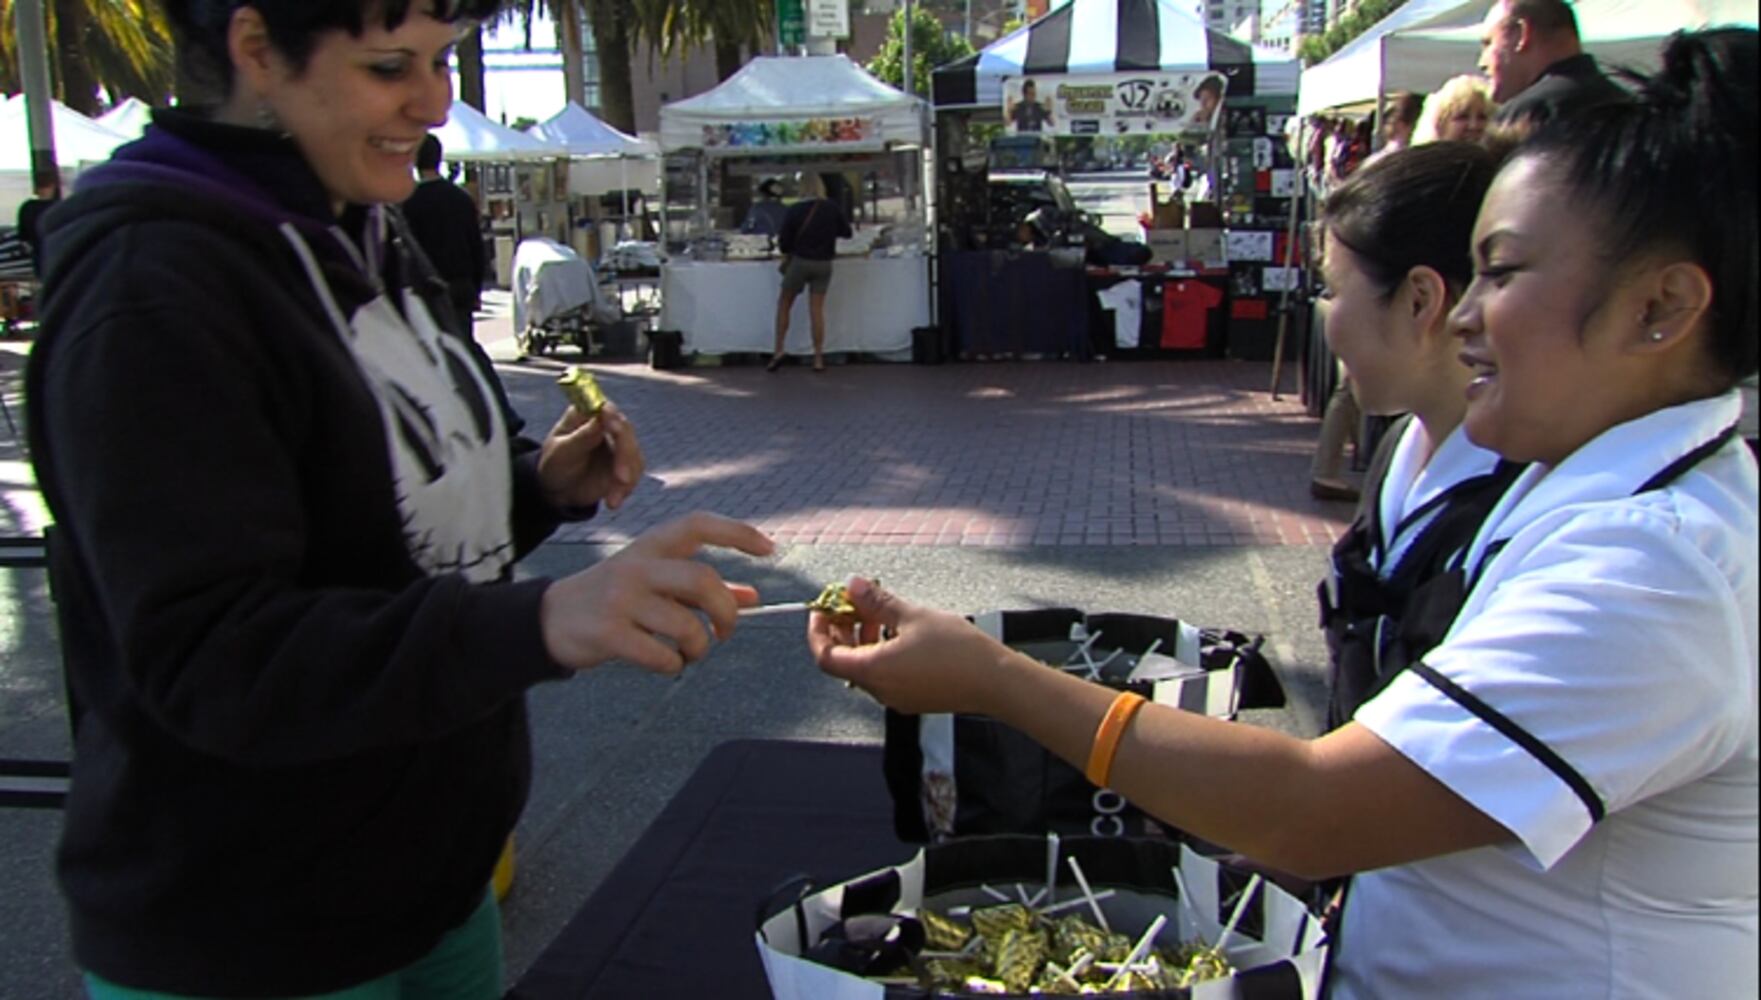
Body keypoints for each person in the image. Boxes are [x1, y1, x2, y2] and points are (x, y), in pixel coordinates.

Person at [809, 28, 1757, 997]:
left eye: (1505, 271)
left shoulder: (1654, 569)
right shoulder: (1592, 499)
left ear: (1661, 307)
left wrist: (994, 679)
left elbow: (1315, 809)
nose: (1469, 315)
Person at [23, 2, 773, 997]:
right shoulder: (149, 290)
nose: (435, 100)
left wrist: (533, 486)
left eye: (445, 58)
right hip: (250, 935)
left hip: (433, 893)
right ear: (257, 50)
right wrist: (543, 619)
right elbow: (217, 657)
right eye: (391, 66)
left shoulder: (361, 224)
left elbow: (388, 527)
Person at [1311, 141, 1523, 729]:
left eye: (1333, 289)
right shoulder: (1398, 446)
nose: (1327, 318)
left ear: (1420, 299)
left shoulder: (1527, 507)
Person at [1479, 0, 1628, 127]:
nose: (1481, 63)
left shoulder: (1528, 115)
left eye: (1488, 43)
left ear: (1522, 35)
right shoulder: (1630, 105)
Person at [402, 132, 487, 337]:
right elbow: (476, 246)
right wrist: (475, 287)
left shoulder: (408, 201)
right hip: (461, 284)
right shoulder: (461, 198)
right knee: (464, 341)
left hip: (427, 289)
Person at [768, 172, 851, 374]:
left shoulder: (795, 210)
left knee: (784, 304)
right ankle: (818, 357)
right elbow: (846, 232)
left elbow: (785, 242)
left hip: (800, 261)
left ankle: (779, 350)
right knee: (816, 310)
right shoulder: (831, 207)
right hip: (823, 263)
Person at [1411, 74, 1497, 144]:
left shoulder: (1504, 162)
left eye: (1482, 117)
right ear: (1440, 124)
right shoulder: (1423, 163)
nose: (1473, 125)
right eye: (1463, 117)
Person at [14, 176, 59, 277]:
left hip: (37, 251)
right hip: (55, 249)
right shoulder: (59, 206)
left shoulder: (27, 207)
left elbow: (23, 234)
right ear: (53, 187)